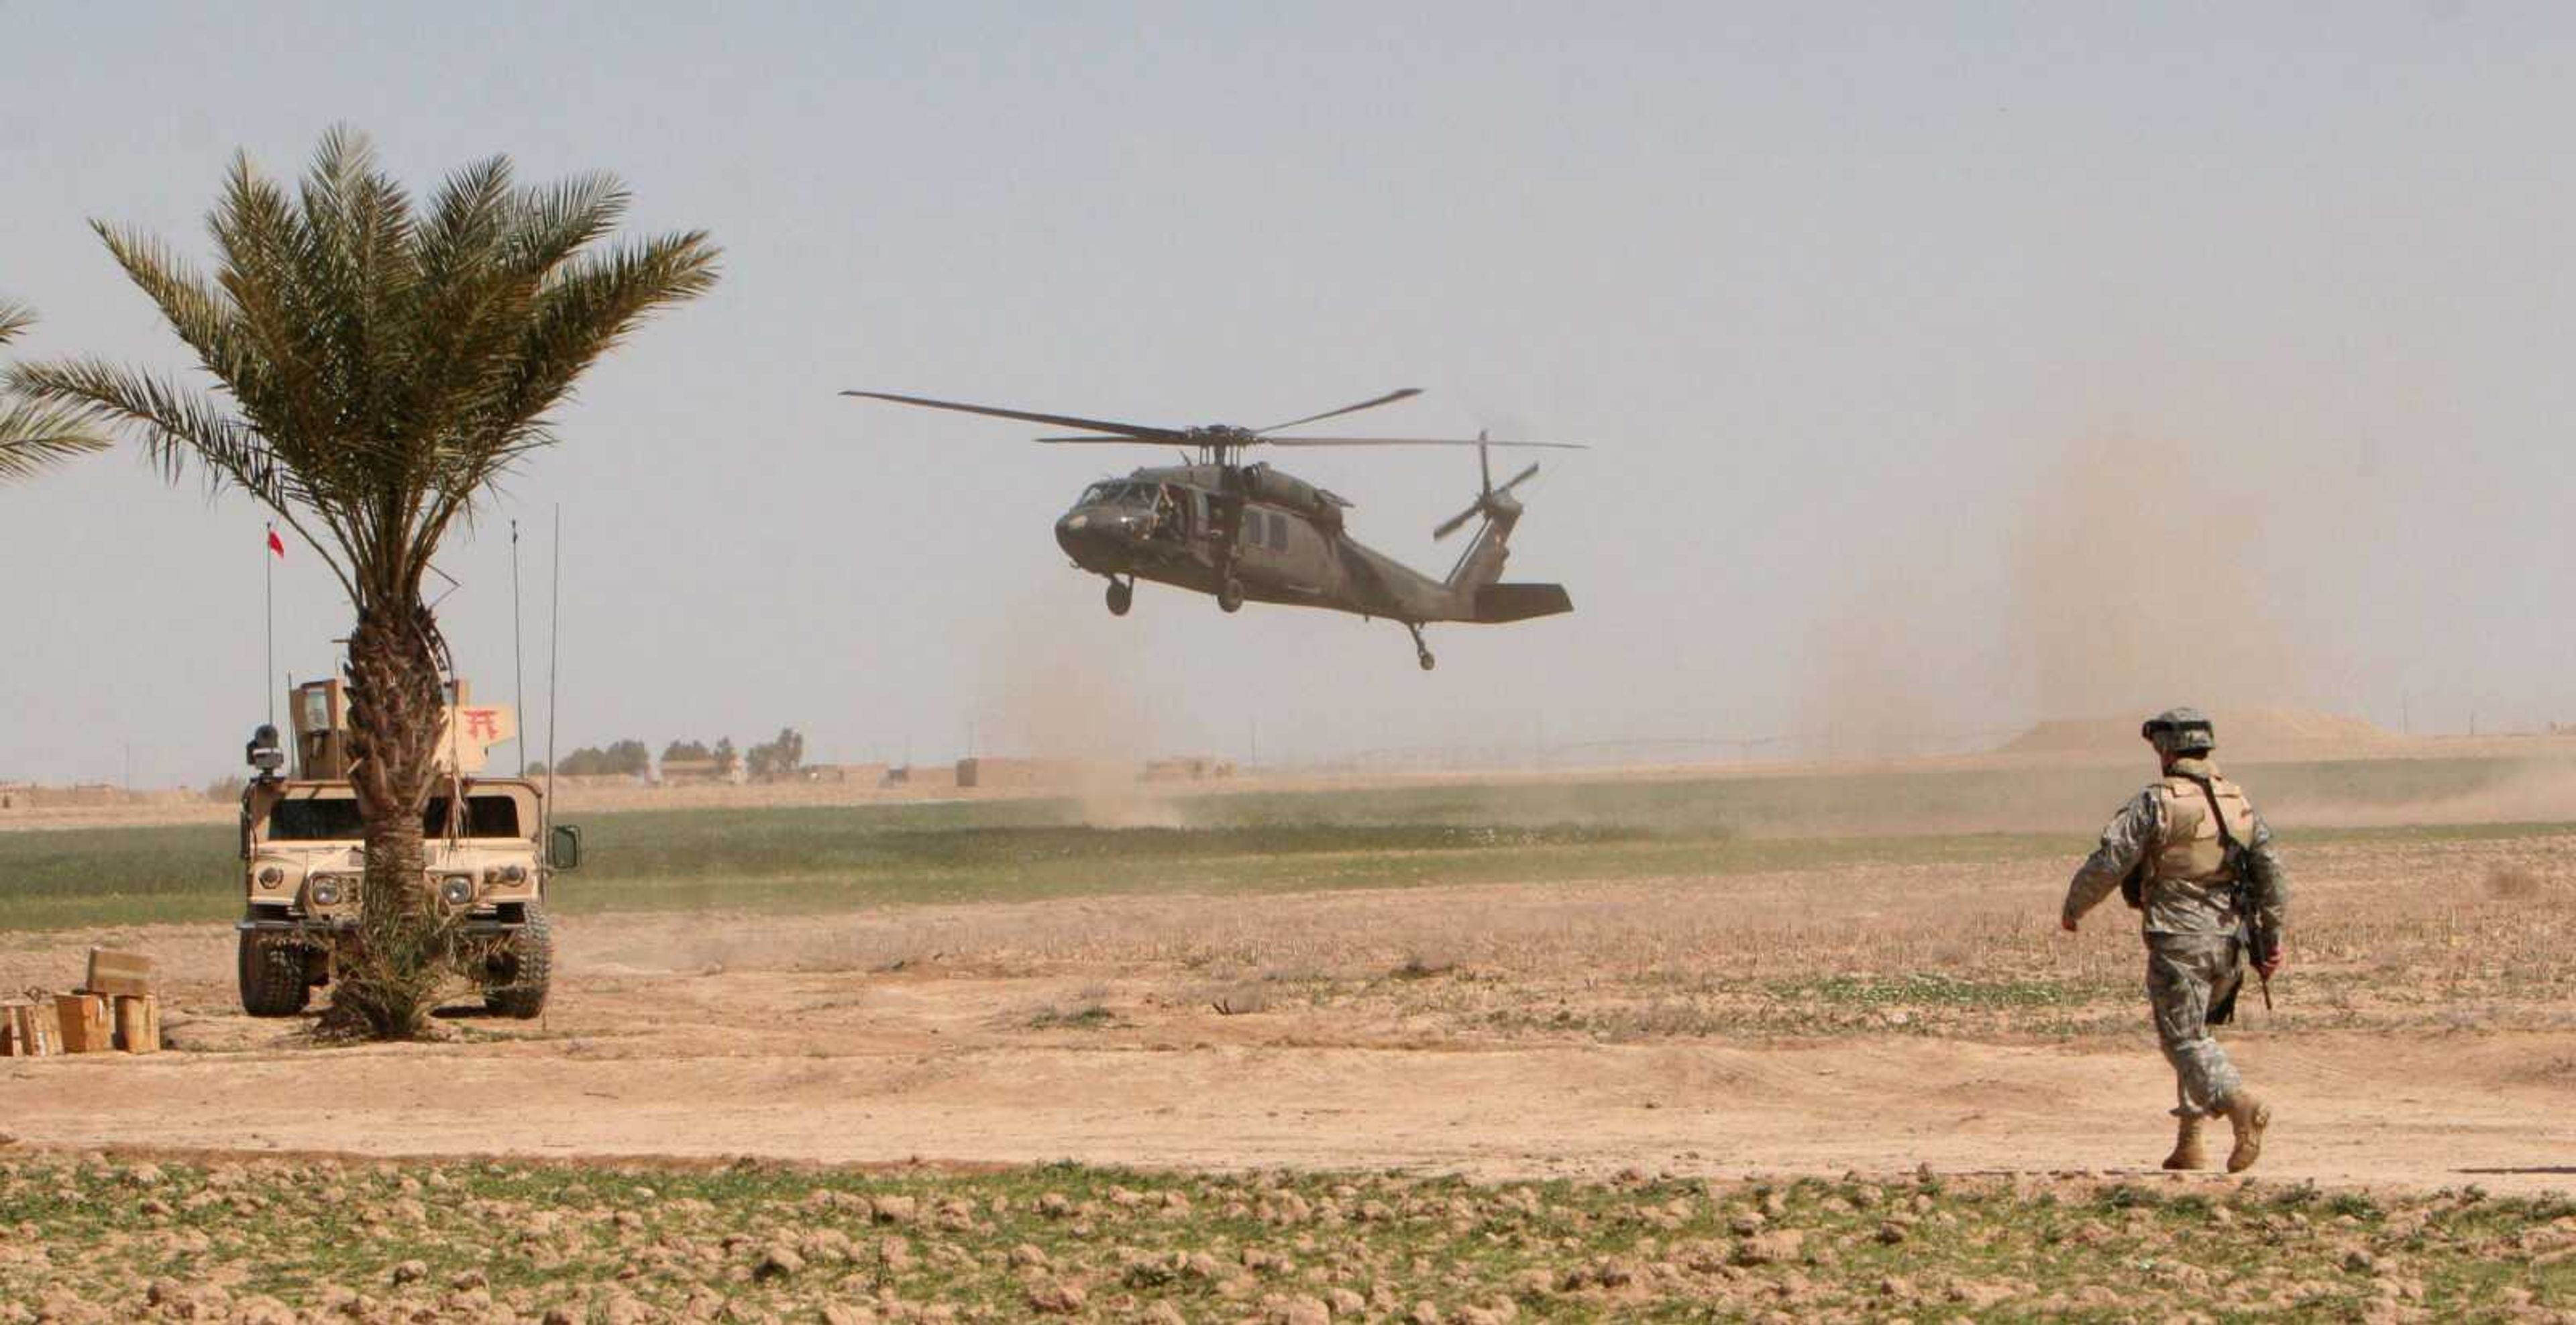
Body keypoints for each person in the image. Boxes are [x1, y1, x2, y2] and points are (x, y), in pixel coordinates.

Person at [2060, 707, 2289, 1172]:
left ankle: (2240, 1104)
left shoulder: (2156, 801)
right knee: (2198, 1033)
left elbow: (2112, 859)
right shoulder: (2236, 801)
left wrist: (2075, 905)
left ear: (2166, 750)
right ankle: (2191, 1141)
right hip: (2230, 941)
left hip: (2180, 938)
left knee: (2182, 1038)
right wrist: (2271, 940)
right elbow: (2271, 875)